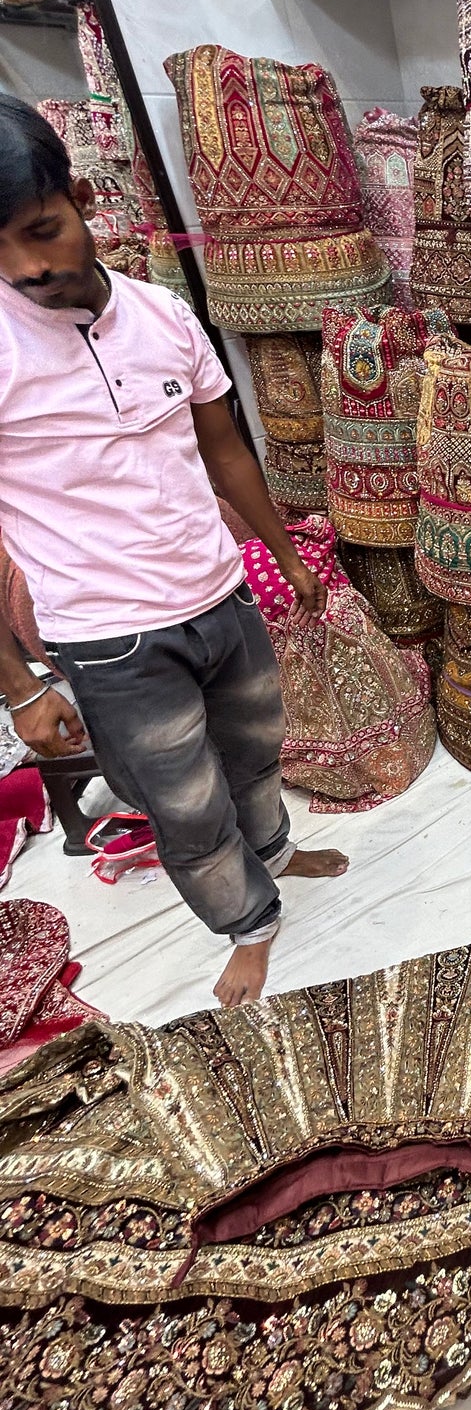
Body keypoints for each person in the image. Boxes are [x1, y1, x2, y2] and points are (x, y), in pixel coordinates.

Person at [0, 94, 347, 1007]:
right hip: (109, 635)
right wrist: (23, 688)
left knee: (259, 746)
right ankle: (248, 923)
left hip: (217, 592)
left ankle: (273, 851)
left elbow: (224, 444)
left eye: (42, 229)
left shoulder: (162, 314)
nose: (29, 268)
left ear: (79, 198)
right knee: (186, 803)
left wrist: (287, 554)